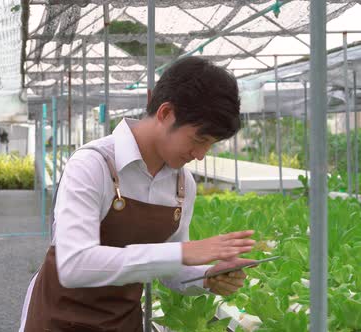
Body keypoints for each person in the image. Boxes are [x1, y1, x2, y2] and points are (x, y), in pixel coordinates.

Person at [19, 56, 256, 332]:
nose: (201, 155)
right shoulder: (94, 164)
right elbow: (74, 265)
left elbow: (169, 270)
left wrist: (206, 277)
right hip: (59, 319)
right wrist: (182, 252)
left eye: (210, 145)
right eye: (198, 140)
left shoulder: (182, 184)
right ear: (166, 113)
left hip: (122, 322)